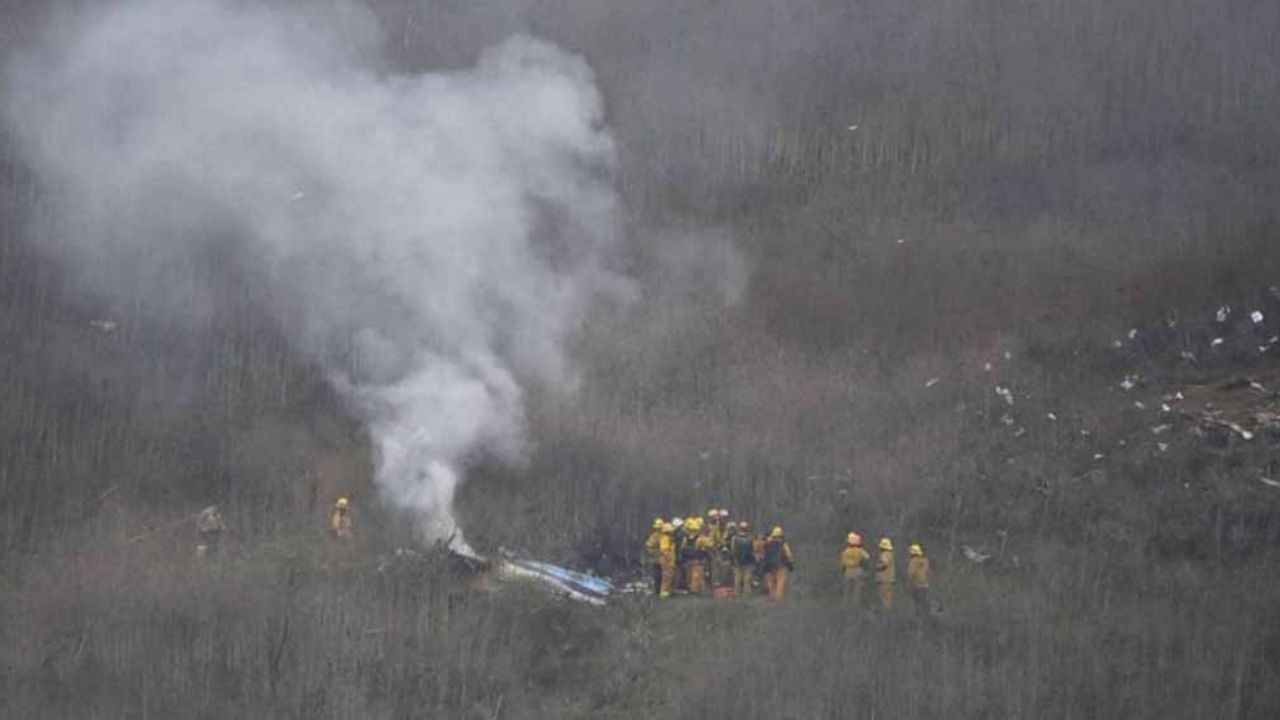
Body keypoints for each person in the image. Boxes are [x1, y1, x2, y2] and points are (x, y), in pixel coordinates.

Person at [761, 526, 795, 602]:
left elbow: (763, 554)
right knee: (780, 584)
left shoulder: (768, 543)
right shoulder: (783, 544)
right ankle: (778, 601)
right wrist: (790, 563)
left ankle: (772, 598)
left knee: (772, 583)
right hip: (781, 566)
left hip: (770, 567)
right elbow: (789, 555)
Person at [840, 533, 870, 605]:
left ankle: (846, 604)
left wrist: (843, 571)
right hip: (857, 570)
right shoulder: (860, 550)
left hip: (847, 571)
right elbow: (867, 558)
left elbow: (842, 563)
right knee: (857, 590)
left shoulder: (845, 551)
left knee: (847, 590)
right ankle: (856, 605)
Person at [730, 521, 755, 597]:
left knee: (737, 578)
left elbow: (733, 549)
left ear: (739, 529)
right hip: (748, 561)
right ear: (747, 529)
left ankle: (737, 593)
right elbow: (753, 550)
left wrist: (733, 559)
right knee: (747, 579)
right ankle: (746, 594)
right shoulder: (751, 538)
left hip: (737, 561)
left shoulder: (735, 538)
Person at [689, 519, 713, 596]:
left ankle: (699, 589)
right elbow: (701, 549)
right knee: (698, 574)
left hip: (702, 558)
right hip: (701, 558)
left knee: (701, 574)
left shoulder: (701, 539)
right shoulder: (702, 539)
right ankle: (697, 589)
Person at [907, 543, 931, 616]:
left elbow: (911, 574)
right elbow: (928, 572)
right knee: (925, 602)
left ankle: (919, 617)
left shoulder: (913, 562)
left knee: (917, 604)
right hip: (925, 585)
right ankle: (927, 615)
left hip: (916, 586)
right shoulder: (925, 560)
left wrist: (909, 584)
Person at [644, 518, 665, 594]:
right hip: (657, 560)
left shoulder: (665, 536)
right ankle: (657, 590)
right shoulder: (654, 537)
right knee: (657, 576)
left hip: (664, 560)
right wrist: (656, 552)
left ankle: (662, 590)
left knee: (664, 576)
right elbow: (649, 547)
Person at [876, 537, 895, 611]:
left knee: (884, 598)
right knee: (888, 598)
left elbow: (884, 563)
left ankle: (885, 613)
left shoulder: (885, 554)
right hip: (890, 579)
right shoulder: (890, 554)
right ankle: (888, 612)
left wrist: (877, 567)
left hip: (884, 579)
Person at [658, 522, 677, 598]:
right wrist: (668, 561)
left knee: (670, 576)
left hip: (670, 561)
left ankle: (669, 591)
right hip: (667, 562)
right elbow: (664, 551)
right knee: (666, 576)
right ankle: (664, 592)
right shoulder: (665, 539)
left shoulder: (669, 539)